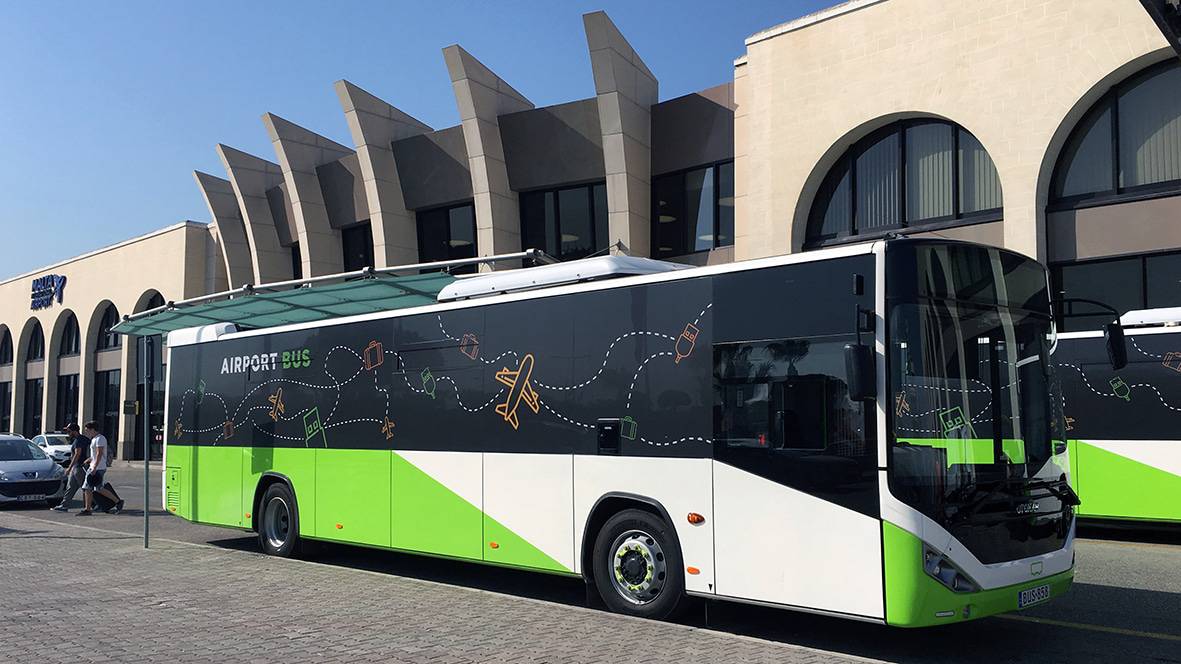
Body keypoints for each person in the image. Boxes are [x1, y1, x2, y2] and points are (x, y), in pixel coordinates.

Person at [77, 421, 123, 516]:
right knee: (94, 488)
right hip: (95, 466)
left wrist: (94, 467)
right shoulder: (94, 439)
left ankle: (88, 509)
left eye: (87, 430)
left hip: (98, 467)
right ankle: (88, 509)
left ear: (93, 429)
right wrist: (89, 459)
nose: (86, 432)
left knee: (90, 488)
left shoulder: (100, 439)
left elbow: (99, 453)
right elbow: (95, 454)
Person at [50, 423, 89, 512]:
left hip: (79, 467)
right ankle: (64, 505)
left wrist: (69, 468)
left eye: (69, 431)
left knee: (85, 488)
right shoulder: (82, 439)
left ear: (74, 431)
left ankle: (90, 506)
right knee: (71, 487)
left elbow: (77, 454)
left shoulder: (79, 440)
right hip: (76, 467)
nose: (68, 433)